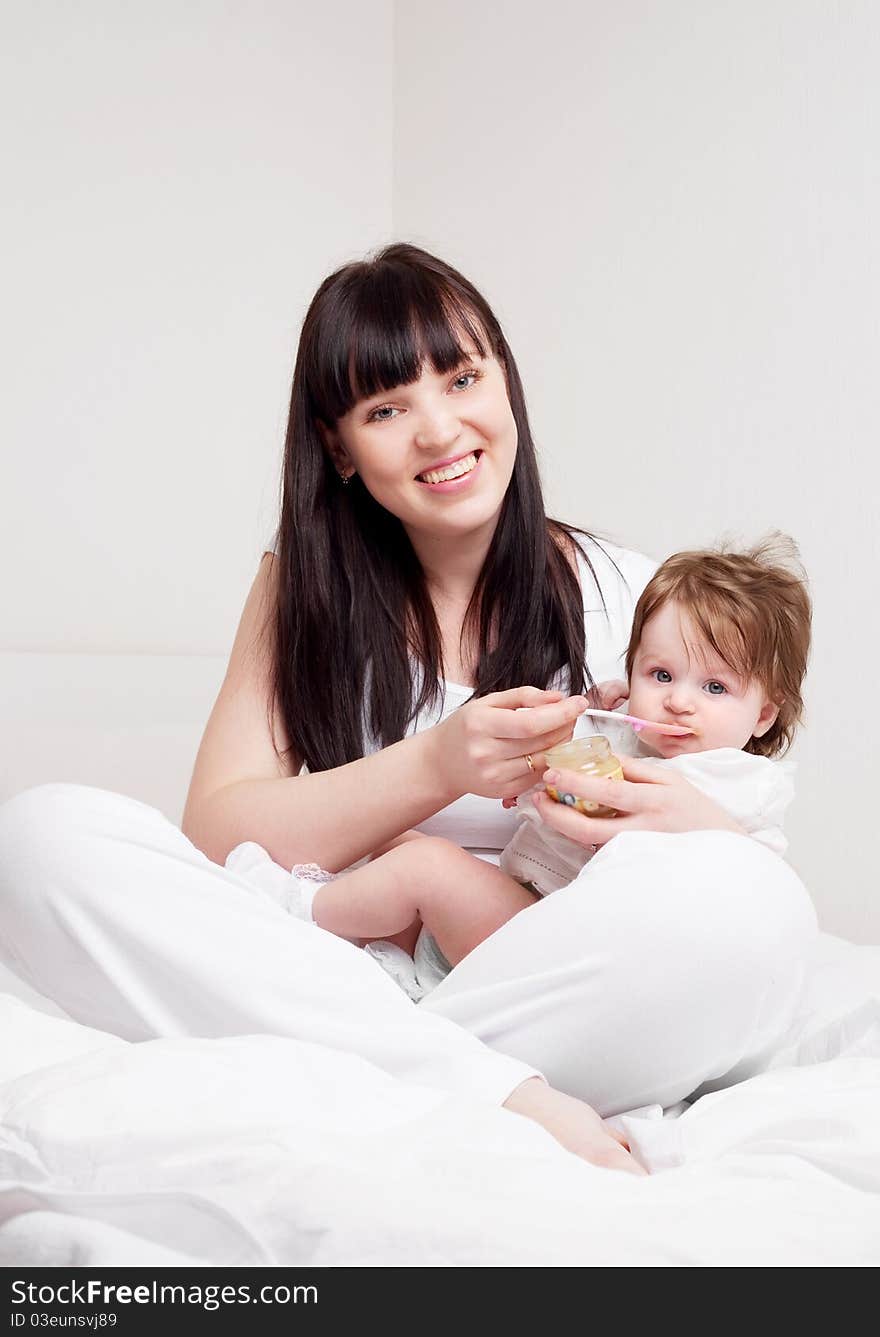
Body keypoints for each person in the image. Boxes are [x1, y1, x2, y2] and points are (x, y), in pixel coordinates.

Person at [0, 244, 816, 1177]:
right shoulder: (299, 593)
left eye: (463, 377)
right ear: (340, 448)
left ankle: (371, 1064)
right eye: (386, 408)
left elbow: (724, 833)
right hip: (358, 967)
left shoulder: (630, 596)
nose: (438, 430)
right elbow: (219, 834)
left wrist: (682, 819)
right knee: (41, 837)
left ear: (506, 382)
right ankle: (496, 1095)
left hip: (547, 981)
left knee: (762, 911)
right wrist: (434, 765)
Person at [238, 536, 810, 998]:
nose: (679, 702)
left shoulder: (737, 784)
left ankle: (294, 910)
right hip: (530, 911)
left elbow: (751, 899)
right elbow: (583, 777)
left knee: (428, 868)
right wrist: (551, 773)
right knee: (390, 839)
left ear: (763, 713)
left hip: (580, 953)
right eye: (660, 675)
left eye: (715, 686)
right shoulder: (626, 739)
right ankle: (368, 949)